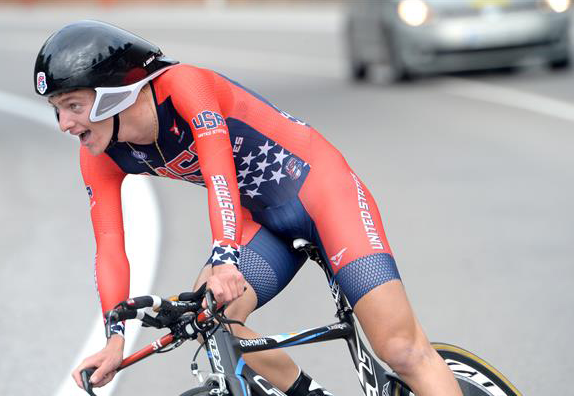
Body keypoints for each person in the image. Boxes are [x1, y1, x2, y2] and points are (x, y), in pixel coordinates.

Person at [34, 20, 462, 395]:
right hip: (263, 222)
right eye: (58, 110)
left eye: (74, 106)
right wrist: (115, 340)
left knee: (402, 351)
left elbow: (219, 167)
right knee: (210, 317)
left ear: (115, 93)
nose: (65, 125)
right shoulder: (99, 152)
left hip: (322, 194)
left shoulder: (184, 85)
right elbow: (109, 241)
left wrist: (224, 258)